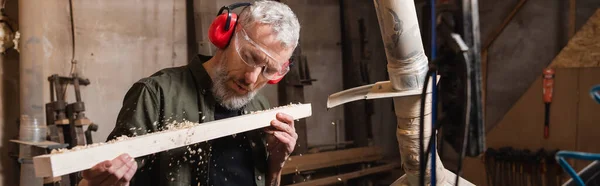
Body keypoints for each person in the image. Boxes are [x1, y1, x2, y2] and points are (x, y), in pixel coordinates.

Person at [78, 1, 301, 186]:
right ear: (226, 34)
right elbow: (106, 177)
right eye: (249, 57)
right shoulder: (156, 95)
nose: (252, 79)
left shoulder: (260, 107)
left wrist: (275, 165)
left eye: (268, 70)